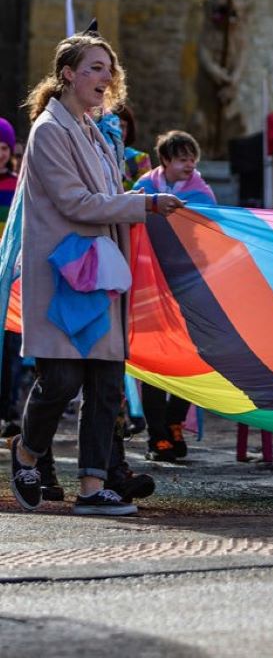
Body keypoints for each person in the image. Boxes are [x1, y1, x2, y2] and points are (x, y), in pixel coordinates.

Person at [8, 32, 183, 517]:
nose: (106, 78)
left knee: (106, 383)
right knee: (61, 379)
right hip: (64, 272)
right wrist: (145, 204)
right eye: (95, 68)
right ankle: (26, 451)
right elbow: (75, 203)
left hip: (102, 272)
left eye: (109, 69)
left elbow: (108, 196)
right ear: (67, 73)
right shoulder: (49, 130)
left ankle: (92, 486)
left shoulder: (95, 130)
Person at [134, 130, 216, 461]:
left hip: (187, 282)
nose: (189, 165)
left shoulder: (201, 192)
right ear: (165, 160)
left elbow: (211, 225)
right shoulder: (145, 188)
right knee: (153, 356)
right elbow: (129, 213)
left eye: (192, 158)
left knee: (188, 352)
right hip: (150, 283)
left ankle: (176, 422)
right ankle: (157, 435)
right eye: (182, 158)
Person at [0, 117, 21, 439]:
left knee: (11, 346)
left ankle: (8, 410)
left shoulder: (17, 184)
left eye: (3, 147)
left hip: (10, 275)